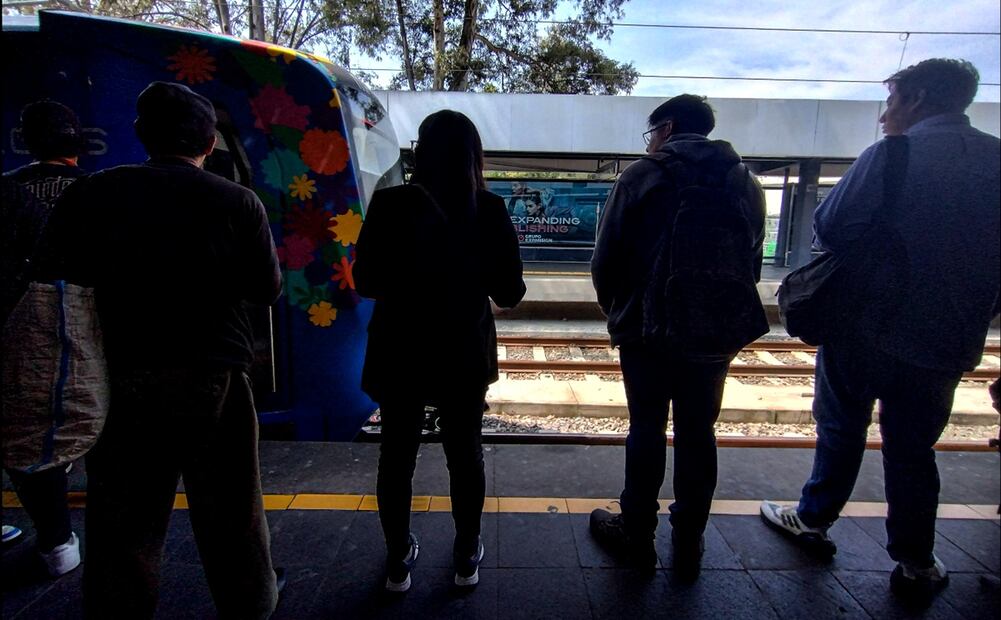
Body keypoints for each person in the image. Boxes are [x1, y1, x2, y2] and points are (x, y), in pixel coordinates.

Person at [35, 82, 283, 618]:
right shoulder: (236, 201)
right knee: (233, 510)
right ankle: (251, 604)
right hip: (216, 374)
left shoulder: (93, 193)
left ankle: (120, 608)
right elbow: (267, 289)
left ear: (141, 134)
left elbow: (56, 273)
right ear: (210, 142)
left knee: (123, 518)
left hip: (119, 375)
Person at [760, 58, 1000, 602]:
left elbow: (831, 228)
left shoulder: (893, 156)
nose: (885, 115)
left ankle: (814, 520)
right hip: (946, 336)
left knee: (842, 428)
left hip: (864, 326)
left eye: (890, 102)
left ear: (915, 99)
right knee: (914, 447)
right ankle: (916, 559)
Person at [588, 94, 765, 577]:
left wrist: (621, 313)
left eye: (651, 133)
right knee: (697, 431)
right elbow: (752, 261)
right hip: (714, 333)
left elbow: (605, 261)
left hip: (648, 330)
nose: (650, 143)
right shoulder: (745, 182)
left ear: (666, 128)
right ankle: (690, 539)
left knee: (646, 427)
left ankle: (637, 534)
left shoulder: (643, 176)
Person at [354, 109, 526, 593]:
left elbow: (364, 281)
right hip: (462, 353)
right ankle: (466, 553)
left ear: (420, 152)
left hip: (399, 350)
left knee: (397, 455)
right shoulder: (488, 209)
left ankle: (396, 561)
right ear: (474, 156)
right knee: (465, 453)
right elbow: (509, 292)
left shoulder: (388, 205)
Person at [1, 101, 87, 578]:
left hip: (15, 338)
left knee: (26, 437)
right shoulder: (95, 192)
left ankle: (56, 541)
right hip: (84, 336)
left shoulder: (8, 191)